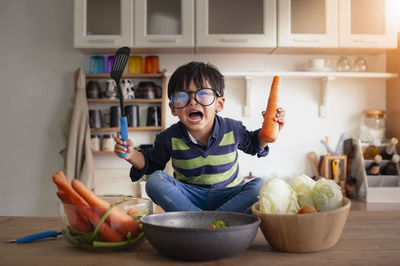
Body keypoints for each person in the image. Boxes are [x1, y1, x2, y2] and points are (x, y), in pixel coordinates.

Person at [114, 61, 285, 213]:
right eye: (182, 96)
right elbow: (150, 163)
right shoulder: (169, 137)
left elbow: (255, 144)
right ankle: (208, 221)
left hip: (229, 196)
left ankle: (199, 222)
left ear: (219, 104)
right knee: (155, 181)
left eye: (203, 94)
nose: (193, 101)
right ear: (173, 108)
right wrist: (131, 154)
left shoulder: (233, 129)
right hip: (188, 198)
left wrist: (269, 129)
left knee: (262, 186)